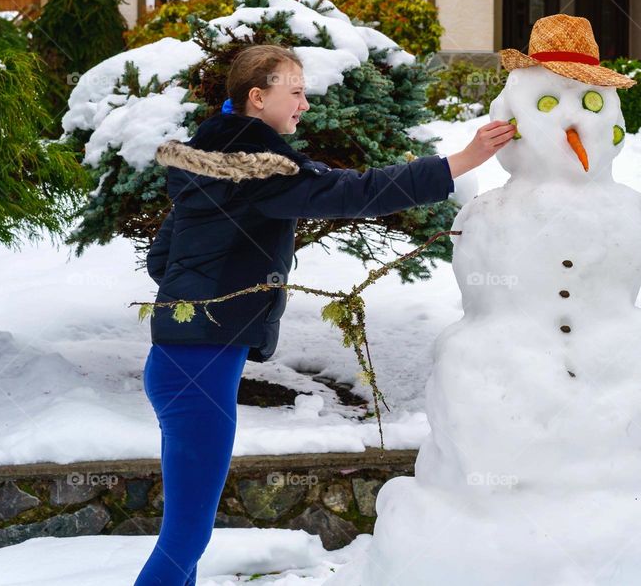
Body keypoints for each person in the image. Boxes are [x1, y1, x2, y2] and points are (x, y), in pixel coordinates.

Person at [135, 44, 515, 585]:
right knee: (186, 535)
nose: (305, 105)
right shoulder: (261, 174)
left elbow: (161, 263)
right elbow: (357, 192)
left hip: (177, 362)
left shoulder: (204, 168)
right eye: (296, 92)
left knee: (186, 532)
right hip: (200, 370)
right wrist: (460, 163)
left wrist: (217, 287)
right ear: (257, 97)